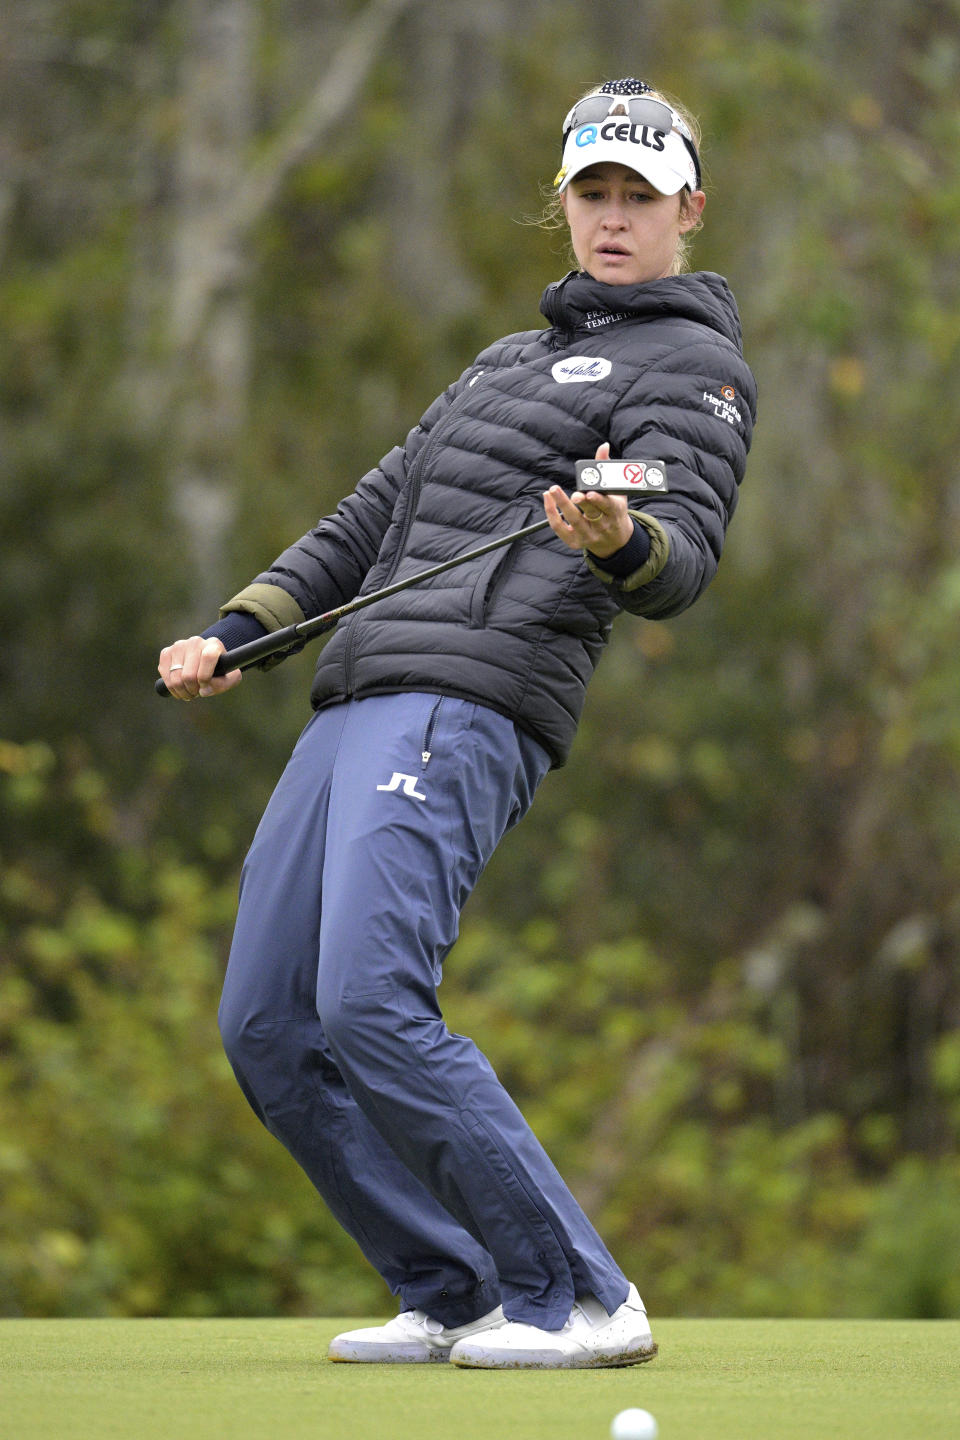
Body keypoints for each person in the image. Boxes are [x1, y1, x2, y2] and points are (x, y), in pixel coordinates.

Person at [158, 77, 756, 1369]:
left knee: (371, 999)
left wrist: (619, 539)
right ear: (564, 202)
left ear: (686, 210)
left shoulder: (695, 369)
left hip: (469, 700)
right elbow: (368, 519)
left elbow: (682, 556)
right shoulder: (502, 363)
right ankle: (460, 1288)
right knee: (266, 1022)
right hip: (352, 702)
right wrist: (236, 632)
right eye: (591, 192)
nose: (610, 218)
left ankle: (585, 1297)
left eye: (637, 198)